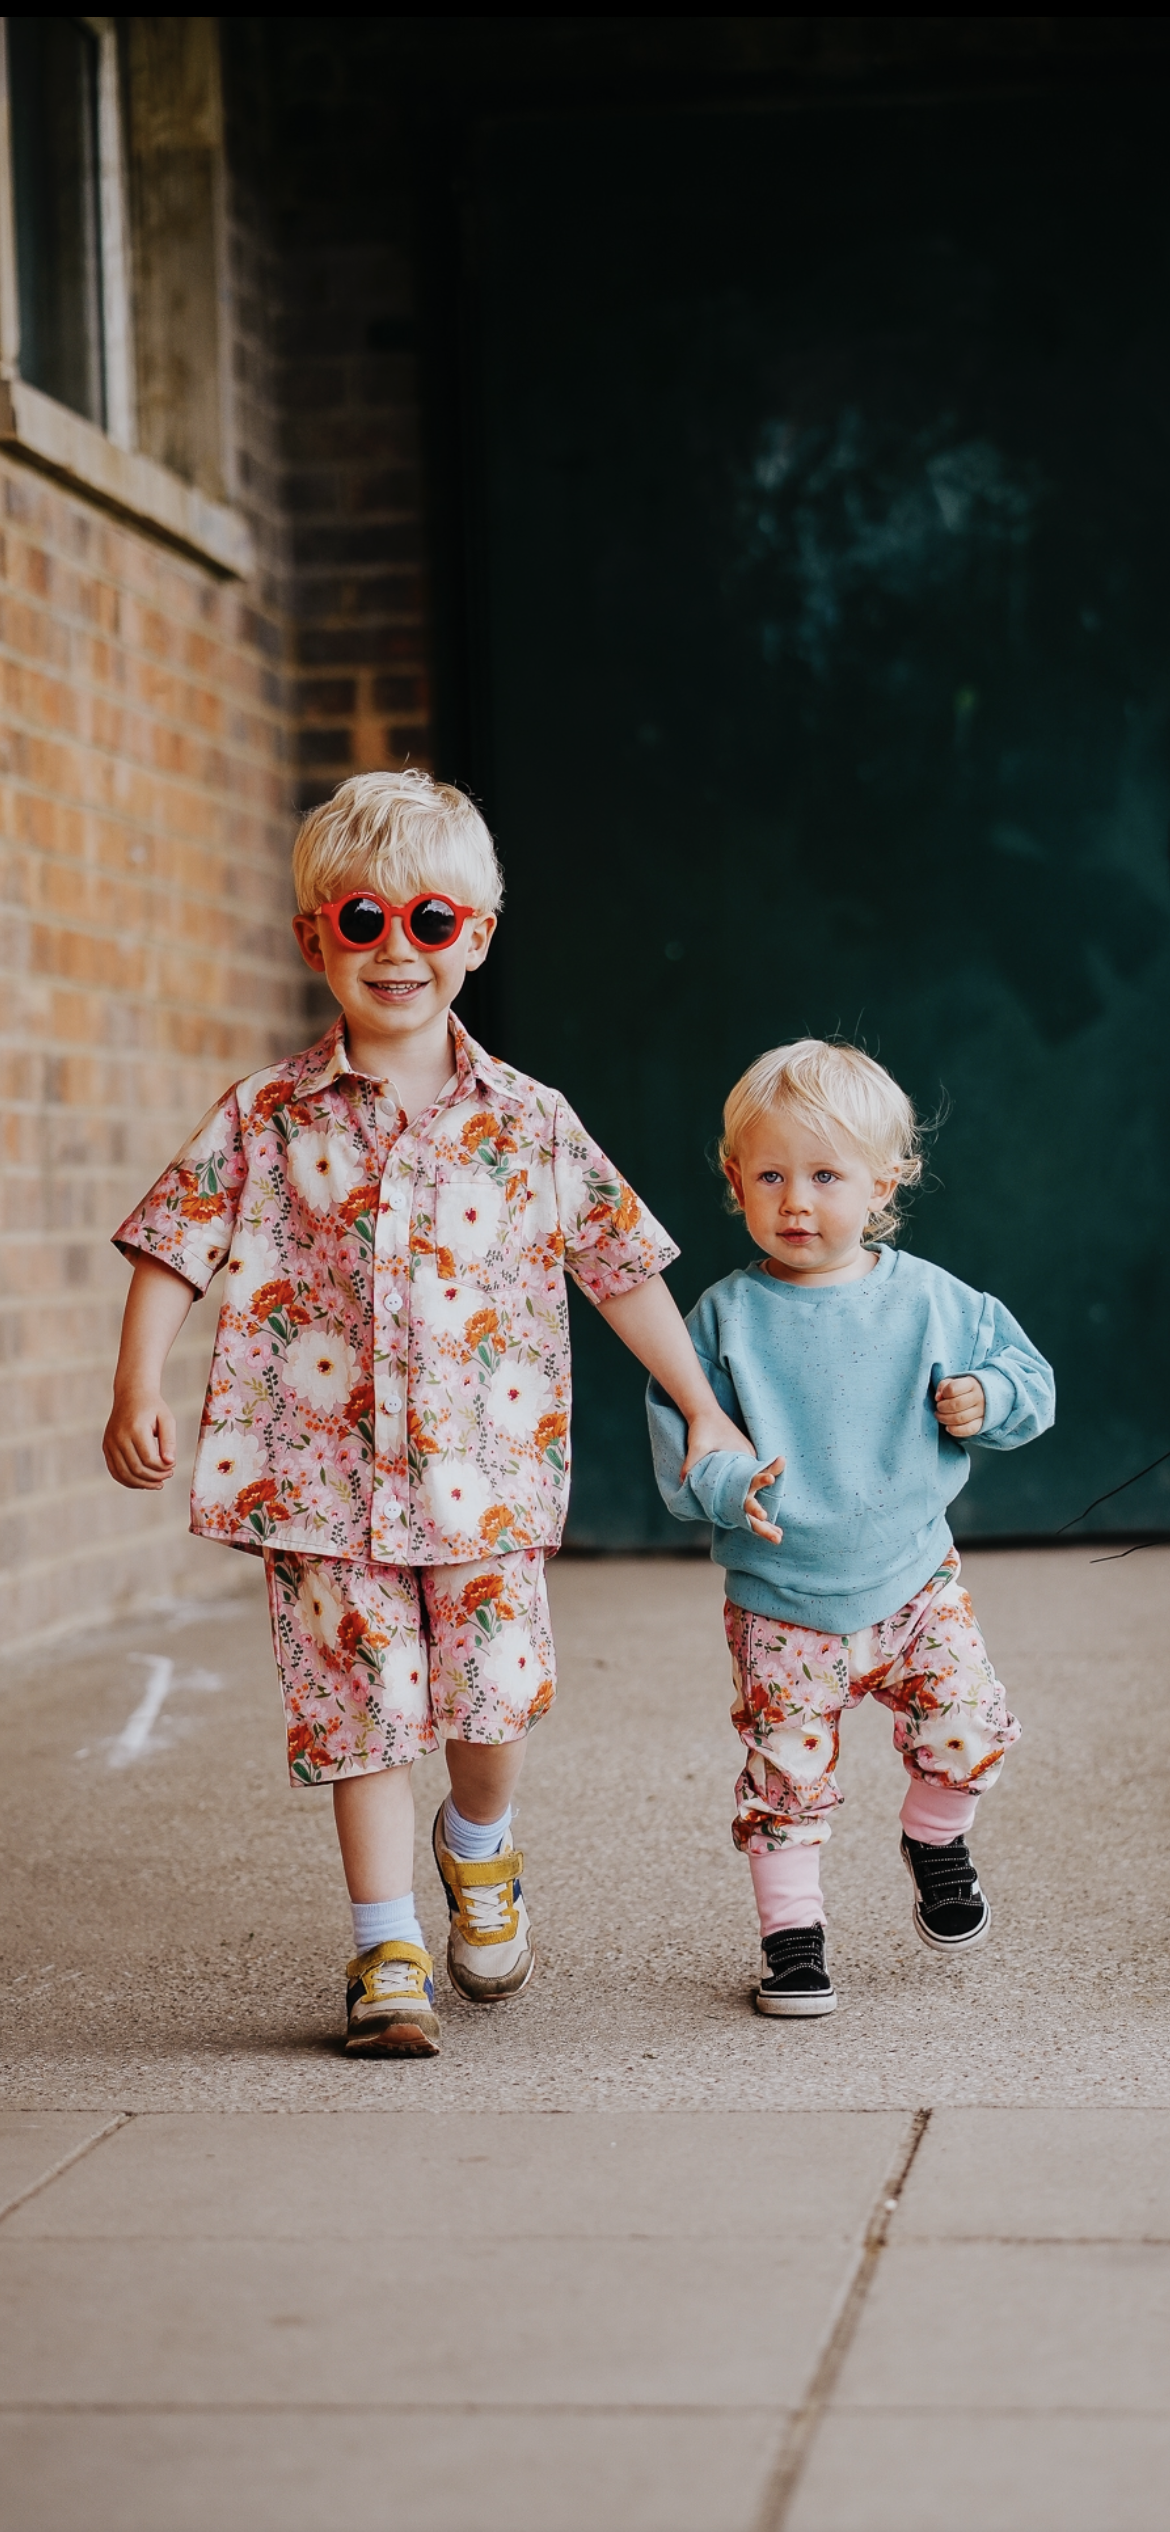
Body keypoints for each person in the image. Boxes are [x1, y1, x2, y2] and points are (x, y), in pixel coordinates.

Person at [103, 771, 758, 2057]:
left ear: (478, 937)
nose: (396, 949)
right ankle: (384, 1951)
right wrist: (137, 1383)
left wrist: (704, 1409)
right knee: (358, 1716)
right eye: (360, 922)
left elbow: (621, 1271)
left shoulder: (531, 1124)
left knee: (490, 1708)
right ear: (314, 938)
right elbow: (174, 1244)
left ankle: (481, 1843)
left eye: (431, 920)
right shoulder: (264, 1116)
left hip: (485, 1484)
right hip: (318, 1485)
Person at [647, 1037, 1055, 2020]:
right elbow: (681, 1435)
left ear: (886, 1182)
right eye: (772, 1175)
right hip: (783, 1605)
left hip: (915, 1584)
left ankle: (934, 1836)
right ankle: (793, 1946)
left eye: (826, 1176)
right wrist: (726, 1482)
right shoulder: (723, 1318)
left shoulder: (930, 1301)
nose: (797, 1201)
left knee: (972, 1725)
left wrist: (984, 1396)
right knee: (786, 1782)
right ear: (735, 1180)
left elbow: (1031, 1384)